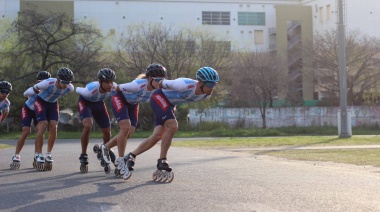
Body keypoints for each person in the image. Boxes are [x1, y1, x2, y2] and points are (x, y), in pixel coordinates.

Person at [119, 67, 219, 182]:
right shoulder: (183, 84)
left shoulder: (206, 94)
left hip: (169, 105)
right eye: (210, 84)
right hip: (158, 97)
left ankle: (131, 156)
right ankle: (162, 160)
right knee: (173, 126)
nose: (212, 88)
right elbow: (160, 84)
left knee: (157, 136)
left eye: (214, 84)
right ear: (200, 82)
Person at [99, 63, 166, 177]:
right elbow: (117, 88)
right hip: (120, 98)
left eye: (162, 79)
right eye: (157, 79)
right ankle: (120, 160)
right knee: (125, 127)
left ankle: (105, 147)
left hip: (133, 104)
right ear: (149, 78)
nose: (160, 82)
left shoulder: (159, 89)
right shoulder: (137, 85)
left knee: (128, 133)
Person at [76, 68, 117, 173]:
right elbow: (78, 89)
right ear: (100, 82)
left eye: (111, 82)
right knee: (88, 125)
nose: (110, 85)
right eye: (107, 82)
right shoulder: (90, 90)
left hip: (99, 103)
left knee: (107, 131)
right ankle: (84, 154)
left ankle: (106, 149)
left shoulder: (114, 88)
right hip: (85, 102)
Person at [33, 67, 74, 171]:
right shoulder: (47, 83)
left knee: (54, 126)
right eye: (64, 82)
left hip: (53, 104)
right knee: (43, 124)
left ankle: (48, 154)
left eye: (68, 82)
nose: (65, 85)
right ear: (58, 79)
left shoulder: (70, 88)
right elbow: (35, 87)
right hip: (40, 102)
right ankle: (38, 154)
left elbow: (63, 90)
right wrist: (41, 94)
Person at [10, 71, 51, 170]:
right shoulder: (33, 89)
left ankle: (38, 154)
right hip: (28, 109)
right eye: (39, 81)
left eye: (44, 81)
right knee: (26, 131)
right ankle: (16, 155)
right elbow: (25, 94)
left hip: (38, 112)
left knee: (40, 130)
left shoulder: (50, 90)